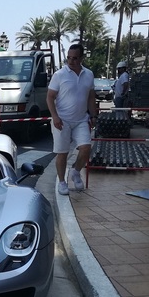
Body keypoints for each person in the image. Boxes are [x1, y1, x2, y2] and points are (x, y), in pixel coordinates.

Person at [46, 43, 97, 196]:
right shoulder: (59, 75)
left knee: (86, 148)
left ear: (82, 58)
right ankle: (62, 182)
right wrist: (54, 116)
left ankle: (75, 171)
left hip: (81, 120)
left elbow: (91, 96)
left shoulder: (89, 74)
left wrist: (93, 115)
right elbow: (49, 97)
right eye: (68, 58)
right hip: (62, 120)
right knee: (62, 153)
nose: (71, 61)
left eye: (75, 58)